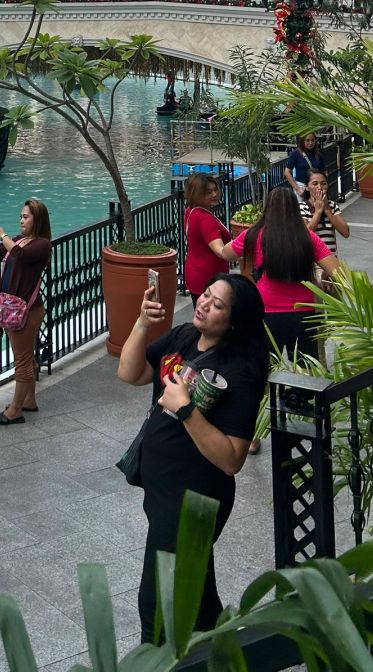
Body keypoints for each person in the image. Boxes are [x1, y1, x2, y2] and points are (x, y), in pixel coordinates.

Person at [117, 273, 269, 641]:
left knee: (157, 603)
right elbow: (130, 372)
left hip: (194, 500)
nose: (204, 303)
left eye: (217, 305)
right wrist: (141, 323)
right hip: (162, 490)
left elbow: (233, 459)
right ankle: (221, 655)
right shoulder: (184, 337)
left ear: (234, 321)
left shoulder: (240, 371)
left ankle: (154, 663)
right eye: (205, 295)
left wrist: (187, 410)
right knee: (196, 594)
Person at [221, 186, 341, 359]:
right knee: (306, 373)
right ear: (294, 208)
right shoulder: (306, 237)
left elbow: (226, 253)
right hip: (304, 314)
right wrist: (326, 276)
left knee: (266, 370)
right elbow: (337, 271)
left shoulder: (255, 235)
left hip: (267, 313)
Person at [0, 200, 52, 424]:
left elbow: (21, 255)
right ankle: (29, 400)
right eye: (21, 216)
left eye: (26, 217)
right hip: (15, 308)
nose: (21, 220)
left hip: (26, 310)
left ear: (37, 219)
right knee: (27, 356)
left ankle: (15, 410)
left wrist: (2, 234)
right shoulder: (20, 240)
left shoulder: (42, 245)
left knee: (21, 360)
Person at [182, 173, 231, 298]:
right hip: (210, 278)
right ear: (197, 194)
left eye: (215, 190)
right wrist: (241, 246)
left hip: (194, 271)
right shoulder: (205, 219)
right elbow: (220, 251)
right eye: (208, 192)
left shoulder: (190, 211)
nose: (214, 194)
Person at [298, 169, 350, 257]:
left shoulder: (332, 206)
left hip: (331, 260)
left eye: (323, 183)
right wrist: (318, 212)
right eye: (315, 184)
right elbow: (305, 235)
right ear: (307, 187)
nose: (319, 187)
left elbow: (345, 232)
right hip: (312, 261)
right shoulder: (301, 207)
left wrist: (327, 209)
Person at [284, 131, 325, 196]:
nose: (310, 143)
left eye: (312, 140)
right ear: (303, 141)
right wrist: (297, 188)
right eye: (307, 140)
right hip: (301, 186)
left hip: (316, 186)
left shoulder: (318, 155)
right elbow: (287, 172)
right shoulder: (296, 154)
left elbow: (324, 171)